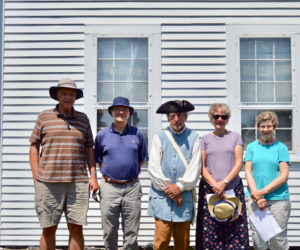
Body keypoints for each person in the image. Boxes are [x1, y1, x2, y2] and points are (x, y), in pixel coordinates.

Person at [29, 78, 99, 250]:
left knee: (76, 228)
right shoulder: (44, 117)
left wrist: (94, 177)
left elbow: (89, 148)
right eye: (64, 94)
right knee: (49, 229)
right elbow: (33, 147)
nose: (68, 97)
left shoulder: (83, 119)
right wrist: (36, 176)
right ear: (57, 96)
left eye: (71, 94)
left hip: (78, 183)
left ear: (75, 97)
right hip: (48, 184)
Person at [94, 96, 148, 250]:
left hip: (132, 187)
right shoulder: (102, 135)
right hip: (109, 187)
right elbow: (98, 159)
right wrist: (110, 175)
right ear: (111, 112)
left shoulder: (137, 134)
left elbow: (142, 159)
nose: (121, 112)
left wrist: (128, 173)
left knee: (131, 232)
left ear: (129, 113)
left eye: (125, 109)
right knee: (109, 230)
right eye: (117, 109)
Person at [148, 100, 201, 250]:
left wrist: (180, 187)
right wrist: (171, 189)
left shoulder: (194, 137)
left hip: (184, 197)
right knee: (161, 241)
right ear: (168, 118)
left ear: (186, 117)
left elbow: (195, 167)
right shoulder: (159, 137)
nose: (176, 119)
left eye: (179, 115)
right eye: (172, 116)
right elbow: (153, 168)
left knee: (182, 242)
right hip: (162, 197)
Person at [195, 103, 249, 249]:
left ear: (227, 119)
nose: (220, 119)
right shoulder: (204, 139)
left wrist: (223, 183)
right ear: (211, 118)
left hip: (232, 187)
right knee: (211, 229)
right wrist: (215, 185)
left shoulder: (235, 137)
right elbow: (202, 167)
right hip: (209, 189)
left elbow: (238, 164)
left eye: (223, 117)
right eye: (216, 116)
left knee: (233, 226)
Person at [245, 111, 291, 250]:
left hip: (278, 199)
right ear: (258, 127)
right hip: (254, 198)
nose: (265, 130)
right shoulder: (251, 147)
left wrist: (262, 192)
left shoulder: (281, 148)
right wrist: (257, 196)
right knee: (258, 238)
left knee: (278, 238)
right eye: (262, 126)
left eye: (269, 126)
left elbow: (283, 176)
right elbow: (248, 172)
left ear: (274, 127)